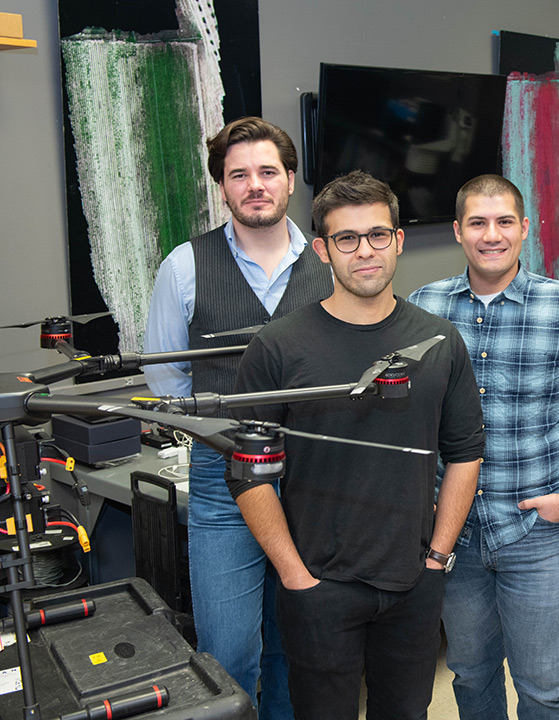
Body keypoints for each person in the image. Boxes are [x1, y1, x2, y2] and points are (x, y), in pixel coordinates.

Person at [230, 169, 484, 720]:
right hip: (319, 587)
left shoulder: (439, 342)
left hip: (414, 580)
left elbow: (465, 453)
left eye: (376, 235)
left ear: (398, 240)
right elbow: (248, 473)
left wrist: (438, 558)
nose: (363, 251)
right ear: (323, 250)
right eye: (346, 238)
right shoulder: (278, 348)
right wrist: (295, 575)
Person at [409, 174, 559, 719]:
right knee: (470, 677)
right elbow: (404, 419)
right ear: (458, 231)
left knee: (546, 688)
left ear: (524, 229)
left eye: (505, 222)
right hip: (452, 536)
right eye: (477, 223)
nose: (492, 235)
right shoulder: (422, 310)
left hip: (539, 535)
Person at [143, 116, 332, 718]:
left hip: (313, 482)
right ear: (221, 187)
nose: (255, 185)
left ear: (291, 180)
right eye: (239, 174)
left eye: (268, 172)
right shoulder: (184, 267)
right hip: (224, 483)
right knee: (228, 656)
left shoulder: (332, 264)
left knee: (297, 648)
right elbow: (167, 379)